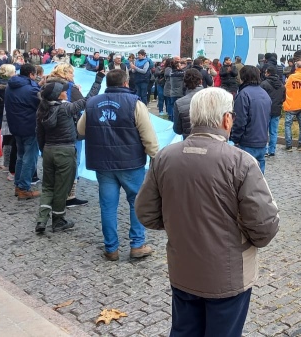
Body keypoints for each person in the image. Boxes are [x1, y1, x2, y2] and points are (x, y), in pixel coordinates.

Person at [134, 87, 279, 336]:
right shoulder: (241, 162)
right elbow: (265, 226)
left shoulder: (164, 158)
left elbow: (146, 212)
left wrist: (177, 223)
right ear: (226, 118)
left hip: (183, 268)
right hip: (227, 275)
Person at [77, 69, 159, 261]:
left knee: (108, 206)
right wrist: (155, 156)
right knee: (136, 203)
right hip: (130, 162)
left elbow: (80, 130)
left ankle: (111, 248)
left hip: (103, 162)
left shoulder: (93, 102)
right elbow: (148, 135)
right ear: (126, 83)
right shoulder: (135, 103)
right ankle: (137, 244)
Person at [35, 73, 103, 234]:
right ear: (59, 95)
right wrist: (98, 81)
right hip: (65, 151)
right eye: (64, 90)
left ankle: (41, 220)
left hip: (49, 150)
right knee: (62, 188)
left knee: (47, 187)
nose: (67, 92)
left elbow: (39, 134)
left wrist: (44, 150)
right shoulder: (66, 108)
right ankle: (58, 220)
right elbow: (88, 100)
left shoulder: (42, 109)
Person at [5, 64, 42, 200]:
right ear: (31, 75)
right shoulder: (31, 89)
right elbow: (41, 104)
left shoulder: (11, 86)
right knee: (29, 158)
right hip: (29, 126)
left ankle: (18, 185)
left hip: (15, 125)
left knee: (21, 156)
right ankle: (24, 188)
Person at [232, 66, 272, 173]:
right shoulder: (265, 94)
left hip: (247, 141)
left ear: (243, 77)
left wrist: (234, 138)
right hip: (262, 141)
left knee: (244, 178)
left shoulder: (244, 94)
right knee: (259, 178)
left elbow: (240, 120)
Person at [260, 65, 285, 157]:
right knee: (274, 131)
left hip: (266, 110)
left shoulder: (264, 84)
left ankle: (265, 149)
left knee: (264, 130)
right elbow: (283, 98)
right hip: (277, 110)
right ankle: (272, 150)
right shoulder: (281, 85)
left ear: (268, 73)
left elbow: (261, 97)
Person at [172, 69, 204, 139]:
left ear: (185, 83)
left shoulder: (179, 103)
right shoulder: (213, 98)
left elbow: (178, 130)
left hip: (189, 142)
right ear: (201, 81)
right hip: (212, 144)